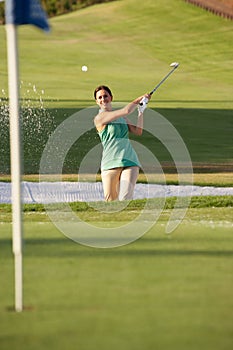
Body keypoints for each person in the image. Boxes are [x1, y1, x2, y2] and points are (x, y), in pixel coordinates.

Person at [93, 85, 151, 201]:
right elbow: (126, 110)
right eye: (100, 97)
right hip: (110, 163)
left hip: (129, 160)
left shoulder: (122, 119)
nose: (103, 99)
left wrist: (141, 112)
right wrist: (138, 99)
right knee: (111, 202)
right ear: (97, 101)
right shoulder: (99, 118)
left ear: (111, 97)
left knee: (125, 198)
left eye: (105, 96)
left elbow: (138, 131)